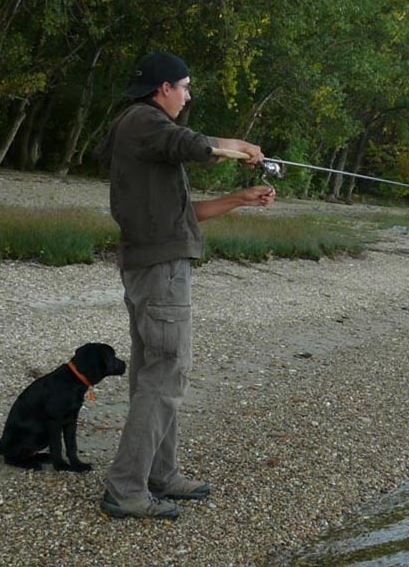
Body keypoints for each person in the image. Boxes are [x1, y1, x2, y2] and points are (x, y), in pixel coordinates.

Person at [94, 51, 275, 520]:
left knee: (155, 372)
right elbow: (191, 144)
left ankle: (160, 474)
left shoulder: (147, 138)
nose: (188, 95)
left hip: (156, 263)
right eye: (185, 86)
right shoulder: (143, 121)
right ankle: (126, 488)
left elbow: (182, 215)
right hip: (159, 270)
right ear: (163, 89)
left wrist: (239, 199)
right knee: (166, 373)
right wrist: (237, 146)